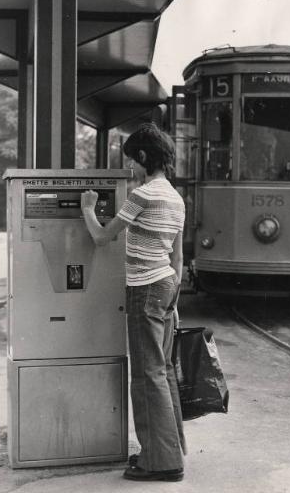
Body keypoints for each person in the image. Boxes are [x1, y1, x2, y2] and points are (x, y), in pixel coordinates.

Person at [81, 123, 186, 482]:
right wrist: (171, 299)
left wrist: (88, 207)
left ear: (143, 157)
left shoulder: (142, 195)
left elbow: (100, 237)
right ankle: (171, 449)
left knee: (146, 375)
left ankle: (160, 461)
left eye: (131, 163)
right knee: (163, 371)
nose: (130, 171)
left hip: (144, 289)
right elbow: (178, 258)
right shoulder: (175, 197)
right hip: (167, 285)